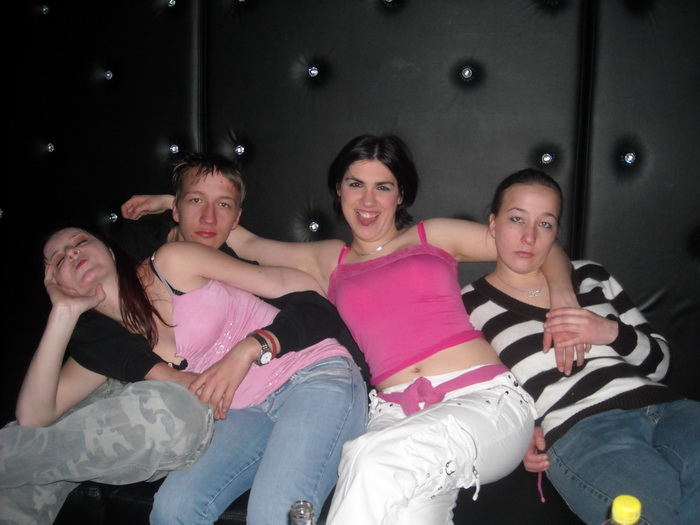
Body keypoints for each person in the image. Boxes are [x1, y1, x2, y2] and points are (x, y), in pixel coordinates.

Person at [123, 134, 577, 524]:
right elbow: (246, 241)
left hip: (480, 399)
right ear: (338, 189)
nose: (368, 201)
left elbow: (531, 244)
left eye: (383, 187)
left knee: (369, 460)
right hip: (395, 416)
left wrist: (564, 294)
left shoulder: (433, 235)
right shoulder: (329, 259)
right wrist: (172, 203)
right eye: (356, 184)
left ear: (401, 195)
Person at [1, 152, 366, 525]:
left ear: (108, 249)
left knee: (275, 513)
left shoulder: (172, 260)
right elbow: (33, 415)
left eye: (79, 242)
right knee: (172, 510)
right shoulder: (105, 347)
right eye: (58, 259)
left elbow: (304, 287)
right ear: (54, 282)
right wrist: (62, 313)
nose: (72, 253)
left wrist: (250, 347)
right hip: (245, 412)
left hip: (312, 375)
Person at [461, 168, 700, 525]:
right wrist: (521, 434)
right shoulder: (469, 307)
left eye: (545, 224)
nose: (529, 237)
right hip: (583, 431)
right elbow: (477, 391)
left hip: (671, 411)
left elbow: (662, 365)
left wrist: (609, 332)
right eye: (517, 219)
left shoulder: (591, 275)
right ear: (493, 224)